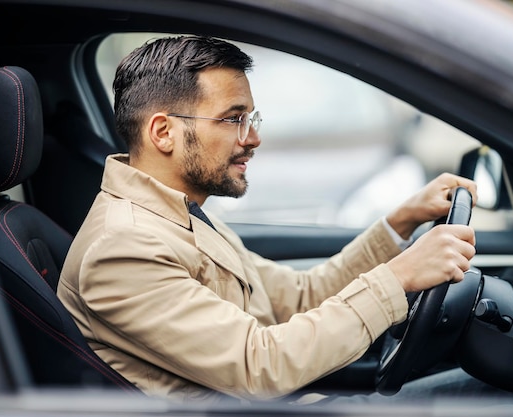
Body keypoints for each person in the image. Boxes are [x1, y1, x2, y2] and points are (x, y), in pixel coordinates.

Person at [57, 35, 478, 405]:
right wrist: (398, 278)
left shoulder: (180, 212)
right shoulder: (122, 247)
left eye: (251, 119)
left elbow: (297, 296)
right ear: (163, 133)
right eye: (232, 119)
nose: (253, 138)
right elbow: (259, 366)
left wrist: (399, 222)